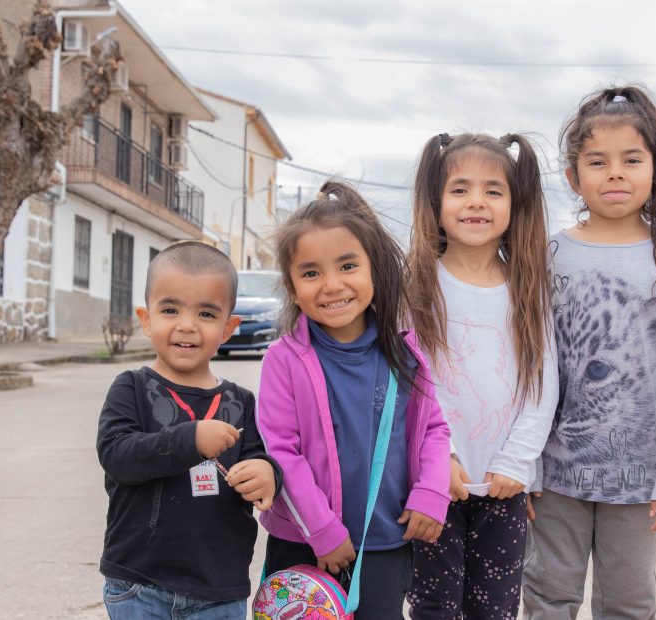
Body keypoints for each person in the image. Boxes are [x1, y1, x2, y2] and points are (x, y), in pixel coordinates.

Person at [523, 85, 656, 619]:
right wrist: (525, 465)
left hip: (640, 479)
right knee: (546, 595)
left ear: (655, 167)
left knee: (629, 601)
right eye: (597, 161)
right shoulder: (548, 255)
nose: (615, 173)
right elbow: (530, 365)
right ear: (572, 175)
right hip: (555, 473)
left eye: (632, 159)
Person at [257, 180, 452, 619]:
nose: (331, 285)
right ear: (292, 288)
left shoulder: (406, 354)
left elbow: (434, 430)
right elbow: (281, 453)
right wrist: (323, 531)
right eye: (310, 273)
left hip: (385, 539)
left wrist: (432, 492)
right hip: (304, 542)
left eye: (347, 266)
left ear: (373, 270)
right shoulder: (283, 361)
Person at [405, 132, 560, 619]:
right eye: (460, 189)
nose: (477, 202)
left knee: (495, 609)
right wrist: (437, 458)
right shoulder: (416, 284)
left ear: (515, 204)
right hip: (433, 482)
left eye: (493, 190)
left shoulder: (528, 288)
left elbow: (543, 383)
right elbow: (403, 382)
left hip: (502, 487)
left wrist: (518, 463)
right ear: (436, 200)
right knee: (434, 607)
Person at [96, 241, 282, 619]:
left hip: (219, 589)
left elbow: (258, 456)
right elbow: (117, 456)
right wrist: (190, 440)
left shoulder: (240, 402)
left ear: (229, 327)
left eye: (206, 314)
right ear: (146, 319)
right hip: (140, 584)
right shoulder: (130, 387)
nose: (186, 325)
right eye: (170, 309)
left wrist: (267, 474)